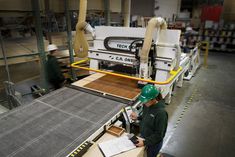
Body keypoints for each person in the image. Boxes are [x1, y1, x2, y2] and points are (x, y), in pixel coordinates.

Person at [130, 84, 168, 157]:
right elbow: (146, 116)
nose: (144, 103)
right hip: (144, 136)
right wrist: (138, 117)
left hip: (154, 143)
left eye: (146, 101)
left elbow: (159, 135)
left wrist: (145, 142)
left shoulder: (161, 113)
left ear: (154, 99)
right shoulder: (147, 105)